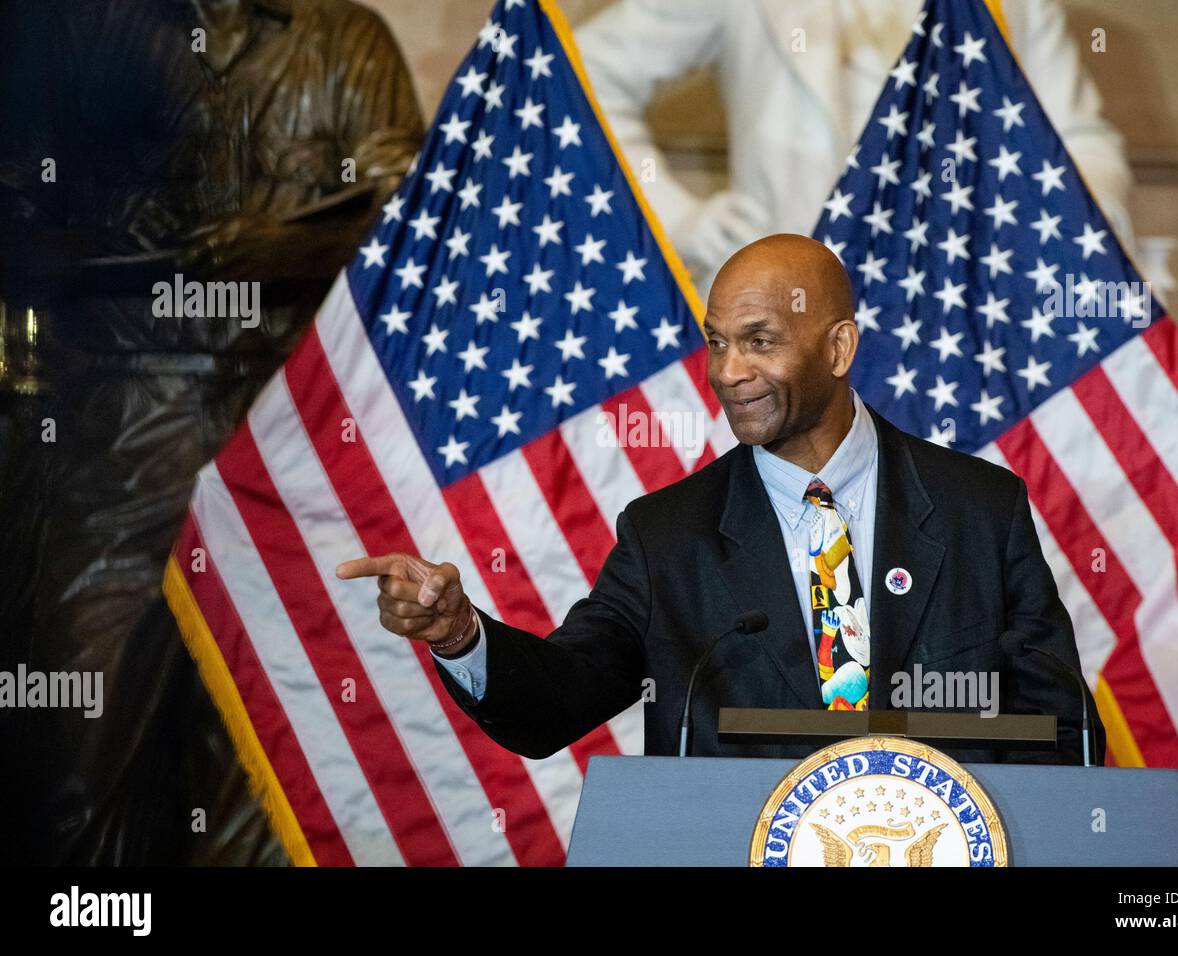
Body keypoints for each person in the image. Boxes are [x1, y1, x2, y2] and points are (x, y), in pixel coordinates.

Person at [337, 234, 1105, 767]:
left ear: (838, 348)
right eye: (716, 341)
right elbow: (556, 702)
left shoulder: (979, 507)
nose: (728, 371)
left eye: (759, 340)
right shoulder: (668, 536)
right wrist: (461, 633)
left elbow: (1061, 729)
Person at [0, 0, 422, 864]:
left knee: (265, 767)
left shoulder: (348, 42)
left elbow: (407, 217)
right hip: (111, 436)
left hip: (285, 433)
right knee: (76, 752)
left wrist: (283, 248)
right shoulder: (82, 33)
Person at [573, 0, 1135, 292]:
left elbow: (1082, 143)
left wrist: (1036, 236)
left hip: (959, 307)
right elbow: (585, 73)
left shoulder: (1014, 6)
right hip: (791, 302)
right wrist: (680, 216)